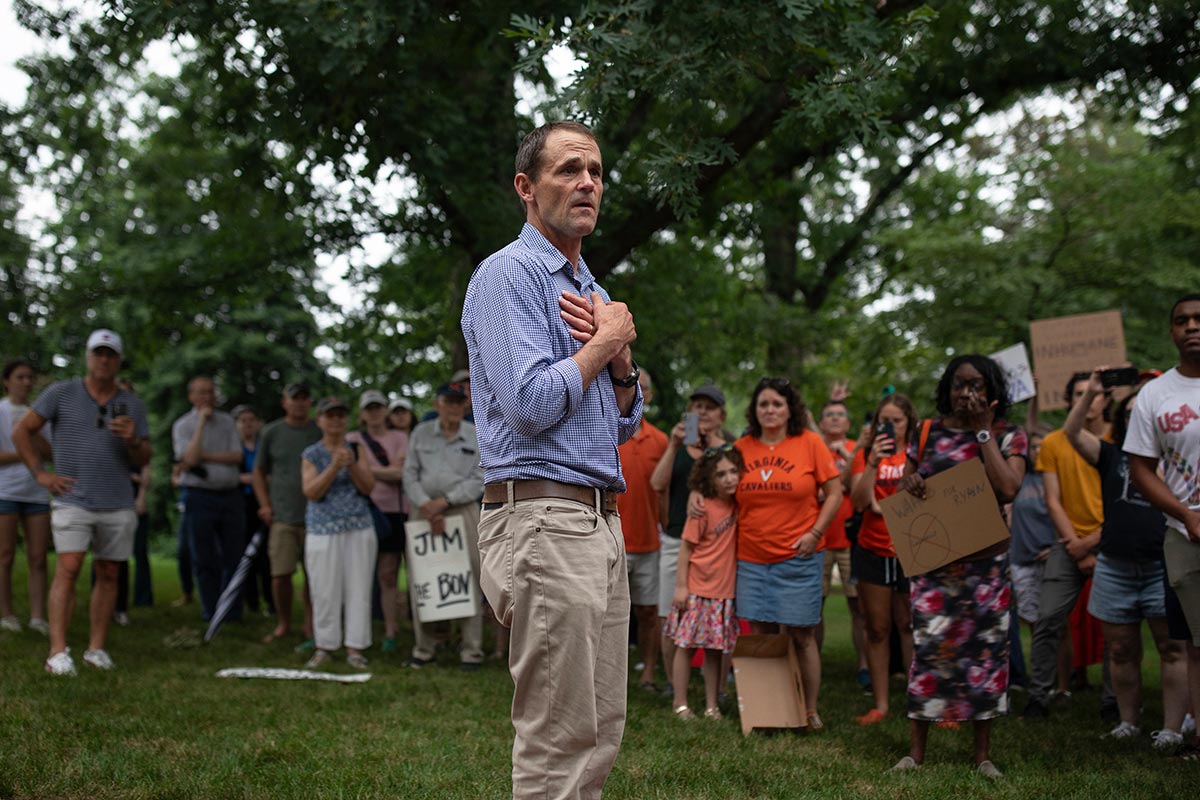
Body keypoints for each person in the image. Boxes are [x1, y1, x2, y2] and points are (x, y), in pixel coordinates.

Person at [461, 119, 641, 799]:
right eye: (568, 169)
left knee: (600, 728)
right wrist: (603, 346)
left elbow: (623, 422)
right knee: (558, 734)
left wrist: (621, 364)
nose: (587, 182)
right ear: (526, 187)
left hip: (599, 522)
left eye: (595, 171)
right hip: (542, 520)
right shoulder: (508, 274)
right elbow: (529, 405)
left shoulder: (589, 286)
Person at [893, 354, 1026, 778]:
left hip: (985, 568)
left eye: (976, 385)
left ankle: (982, 754)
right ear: (946, 389)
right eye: (958, 384)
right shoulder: (925, 431)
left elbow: (1008, 488)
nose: (966, 393)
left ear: (992, 391)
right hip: (935, 565)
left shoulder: (1008, 435)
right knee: (929, 653)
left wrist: (982, 431)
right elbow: (905, 485)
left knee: (985, 655)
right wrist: (911, 483)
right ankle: (916, 753)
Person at [13, 329, 152, 675]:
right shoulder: (61, 393)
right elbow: (22, 431)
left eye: (110, 354)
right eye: (98, 353)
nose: (104, 360)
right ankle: (58, 652)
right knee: (69, 567)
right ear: (88, 357)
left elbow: (145, 457)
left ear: (119, 361)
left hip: (118, 501)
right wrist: (40, 474)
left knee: (109, 572)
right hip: (72, 497)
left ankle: (96, 649)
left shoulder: (133, 404)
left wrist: (134, 440)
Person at [1064, 368, 1187, 747]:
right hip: (1115, 567)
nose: (1137, 418)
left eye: (1143, 413)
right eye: (1130, 413)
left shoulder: (1177, 458)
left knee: (1172, 648)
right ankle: (1128, 722)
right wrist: (1092, 393)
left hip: (1161, 565)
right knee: (1120, 650)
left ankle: (1172, 728)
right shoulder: (1110, 454)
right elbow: (1071, 432)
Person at [732, 376, 842, 730]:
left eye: (777, 404)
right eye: (763, 404)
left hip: (799, 557)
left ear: (790, 409)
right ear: (754, 410)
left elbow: (835, 493)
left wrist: (815, 533)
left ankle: (809, 710)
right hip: (752, 558)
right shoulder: (741, 447)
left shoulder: (810, 443)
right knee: (762, 637)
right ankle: (769, 713)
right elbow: (722, 488)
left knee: (802, 635)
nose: (770, 410)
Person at [1126, 294, 1200, 754]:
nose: (1191, 326)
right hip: (1184, 535)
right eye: (1181, 320)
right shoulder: (1155, 394)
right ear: (1171, 331)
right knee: (1197, 645)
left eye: (1199, 318)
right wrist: (1186, 515)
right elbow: (1140, 469)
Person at [1023, 372, 1113, 719]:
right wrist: (1075, 544)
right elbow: (1052, 499)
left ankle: (1114, 700)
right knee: (1047, 618)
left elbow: (1125, 499)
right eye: (1078, 394)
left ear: (1107, 399)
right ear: (1068, 401)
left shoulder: (1120, 438)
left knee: (1117, 626)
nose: (1087, 400)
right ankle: (1038, 696)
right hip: (1067, 542)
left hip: (1110, 541)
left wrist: (1091, 542)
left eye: (1093, 393)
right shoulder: (1054, 443)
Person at [650, 384, 730, 698]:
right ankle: (673, 683)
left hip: (718, 544)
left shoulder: (729, 450)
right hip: (676, 537)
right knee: (670, 612)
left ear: (722, 415)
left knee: (720, 614)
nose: (703, 412)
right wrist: (674, 445)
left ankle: (719, 687)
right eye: (697, 406)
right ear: (689, 412)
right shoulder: (680, 447)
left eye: (710, 407)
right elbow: (657, 483)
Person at [402, 380, 486, 669]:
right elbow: (409, 474)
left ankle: (471, 651)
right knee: (424, 579)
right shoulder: (421, 433)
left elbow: (480, 477)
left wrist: (446, 502)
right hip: (422, 512)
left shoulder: (475, 434)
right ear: (437, 405)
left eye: (458, 402)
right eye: (448, 402)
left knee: (469, 577)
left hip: (462, 511)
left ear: (466, 405)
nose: (453, 407)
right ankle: (424, 649)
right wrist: (427, 504)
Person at [848, 393, 916, 724]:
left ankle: (919, 700)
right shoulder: (865, 454)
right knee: (877, 628)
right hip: (872, 549)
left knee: (910, 624)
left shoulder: (917, 453)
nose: (889, 427)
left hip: (912, 547)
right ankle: (881, 705)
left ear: (909, 423)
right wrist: (873, 463)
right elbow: (860, 502)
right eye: (883, 421)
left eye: (896, 421)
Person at [300, 396, 377, 668]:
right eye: (330, 415)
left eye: (340, 415)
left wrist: (351, 463)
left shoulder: (357, 448)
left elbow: (368, 487)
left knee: (359, 588)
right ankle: (324, 645)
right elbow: (311, 492)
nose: (335, 420)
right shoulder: (311, 454)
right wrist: (334, 466)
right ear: (319, 420)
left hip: (359, 527)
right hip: (322, 529)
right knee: (323, 589)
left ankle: (355, 647)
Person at [668, 444, 743, 721]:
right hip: (697, 590)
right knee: (686, 646)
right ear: (708, 478)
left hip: (724, 593)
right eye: (721, 474)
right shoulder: (701, 509)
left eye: (733, 472)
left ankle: (712, 706)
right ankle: (680, 703)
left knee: (714, 651)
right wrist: (681, 587)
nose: (729, 479)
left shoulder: (739, 505)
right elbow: (685, 550)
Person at [253, 383, 321, 647]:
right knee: (281, 574)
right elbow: (259, 471)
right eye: (295, 398)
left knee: (313, 575)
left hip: (316, 516)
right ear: (285, 403)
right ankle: (283, 622)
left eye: (305, 398)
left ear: (310, 403)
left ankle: (310, 624)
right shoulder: (272, 432)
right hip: (282, 515)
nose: (300, 403)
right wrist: (264, 504)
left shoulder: (318, 431)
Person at [173, 376, 245, 623]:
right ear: (191, 396)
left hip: (230, 495)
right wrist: (202, 422)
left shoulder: (227, 422)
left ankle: (232, 610)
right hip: (199, 496)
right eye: (202, 392)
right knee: (203, 556)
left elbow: (237, 456)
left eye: (211, 392)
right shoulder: (183, 425)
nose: (207, 397)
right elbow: (190, 459)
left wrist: (205, 455)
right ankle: (210, 609)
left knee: (233, 555)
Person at [617, 369, 669, 691]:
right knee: (610, 615)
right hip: (612, 541)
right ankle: (610, 676)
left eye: (642, 387)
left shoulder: (661, 441)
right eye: (630, 383)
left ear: (648, 395)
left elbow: (666, 493)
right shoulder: (605, 431)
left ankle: (649, 672)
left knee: (649, 613)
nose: (636, 390)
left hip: (650, 543)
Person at [347, 390, 409, 654]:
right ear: (362, 414)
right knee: (358, 574)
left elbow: (400, 473)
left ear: (385, 411)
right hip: (360, 511)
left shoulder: (400, 438)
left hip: (394, 512)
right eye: (369, 409)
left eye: (378, 408)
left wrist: (364, 470)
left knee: (388, 574)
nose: (374, 413)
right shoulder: (352, 439)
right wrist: (385, 472)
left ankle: (390, 631)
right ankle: (357, 630)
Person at [1007, 428, 1067, 694]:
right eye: (1033, 446)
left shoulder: (1056, 478)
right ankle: (1042, 682)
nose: (1037, 451)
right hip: (1022, 559)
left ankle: (1063, 687)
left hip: (1054, 558)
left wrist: (1056, 547)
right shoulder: (1021, 478)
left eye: (1042, 446)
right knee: (1034, 624)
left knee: (1057, 624)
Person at [816, 398, 867, 686]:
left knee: (858, 606)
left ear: (848, 423)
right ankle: (814, 662)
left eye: (840, 414)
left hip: (850, 540)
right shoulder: (813, 448)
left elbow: (855, 487)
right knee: (814, 607)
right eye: (829, 414)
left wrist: (848, 456)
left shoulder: (856, 449)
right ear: (821, 423)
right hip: (819, 539)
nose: (835, 418)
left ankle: (863, 666)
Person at [0, 359, 52, 635]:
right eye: (20, 377)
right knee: (5, 555)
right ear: (6, 381)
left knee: (38, 557)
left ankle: (37, 617)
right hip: (5, 491)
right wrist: (24, 451)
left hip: (36, 492)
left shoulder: (40, 414)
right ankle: (7, 614)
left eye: (30, 377)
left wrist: (32, 433)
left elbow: (51, 453)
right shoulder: (0, 411)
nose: (26, 382)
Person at [232, 405, 273, 617]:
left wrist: (258, 479)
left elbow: (272, 473)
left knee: (267, 554)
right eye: (243, 421)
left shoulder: (265, 447)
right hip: (241, 504)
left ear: (258, 423)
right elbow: (228, 476)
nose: (248, 424)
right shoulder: (234, 448)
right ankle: (251, 601)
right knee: (245, 553)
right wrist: (248, 478)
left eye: (251, 420)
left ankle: (271, 601)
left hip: (264, 502)